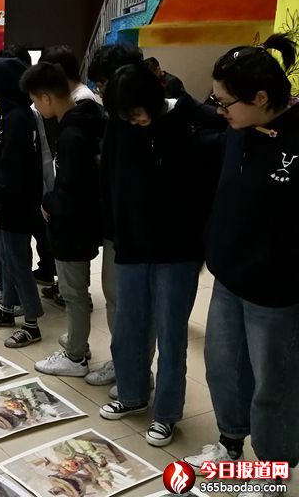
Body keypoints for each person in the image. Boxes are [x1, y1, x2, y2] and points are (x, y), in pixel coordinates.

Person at [184, 35, 299, 494]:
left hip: (277, 290)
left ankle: (274, 469)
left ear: (262, 98)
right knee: (224, 368)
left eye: (225, 101)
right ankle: (230, 443)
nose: (219, 110)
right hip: (229, 276)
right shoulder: (238, 127)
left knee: (274, 384)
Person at [97, 62, 225, 448]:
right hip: (132, 244)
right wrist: (113, 225)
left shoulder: (193, 122)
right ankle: (132, 394)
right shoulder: (120, 125)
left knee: (171, 334)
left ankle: (167, 413)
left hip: (179, 250)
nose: (133, 121)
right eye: (124, 116)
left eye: (136, 113)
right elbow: (110, 176)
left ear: (153, 100)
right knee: (129, 326)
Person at [20, 63, 104, 377]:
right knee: (76, 288)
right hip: (85, 222)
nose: (36, 107)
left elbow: (72, 189)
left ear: (46, 97)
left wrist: (48, 203)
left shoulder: (71, 134)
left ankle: (76, 356)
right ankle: (77, 338)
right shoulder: (89, 118)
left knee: (73, 293)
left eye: (35, 100)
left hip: (72, 226)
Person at [83, 42, 149, 390]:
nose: (101, 91)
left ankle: (135, 371)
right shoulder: (116, 117)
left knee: (131, 304)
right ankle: (123, 360)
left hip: (138, 231)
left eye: (104, 83)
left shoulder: (145, 118)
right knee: (114, 297)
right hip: (115, 224)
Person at [0, 49, 54, 314]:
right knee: (8, 260)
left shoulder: (18, 118)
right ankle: (8, 308)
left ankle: (30, 317)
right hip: (7, 204)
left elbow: (13, 168)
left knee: (18, 263)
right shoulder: (8, 114)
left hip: (14, 207)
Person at [35, 44, 98, 306]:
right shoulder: (72, 99)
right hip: (65, 186)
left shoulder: (81, 101)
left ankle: (76, 291)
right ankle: (66, 286)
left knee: (76, 267)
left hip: (75, 202)